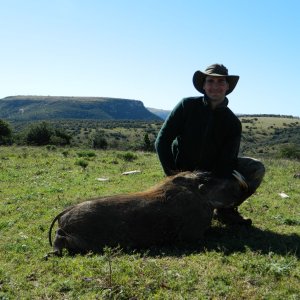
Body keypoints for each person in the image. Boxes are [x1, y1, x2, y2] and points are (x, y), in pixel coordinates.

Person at [155, 63, 265, 226]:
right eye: (210, 81)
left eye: (221, 82)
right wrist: (173, 176)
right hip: (181, 175)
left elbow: (227, 161)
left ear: (227, 86)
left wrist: (213, 186)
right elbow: (162, 141)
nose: (215, 86)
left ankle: (225, 209)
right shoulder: (186, 106)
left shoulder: (232, 122)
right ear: (204, 85)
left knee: (256, 168)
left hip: (212, 177)